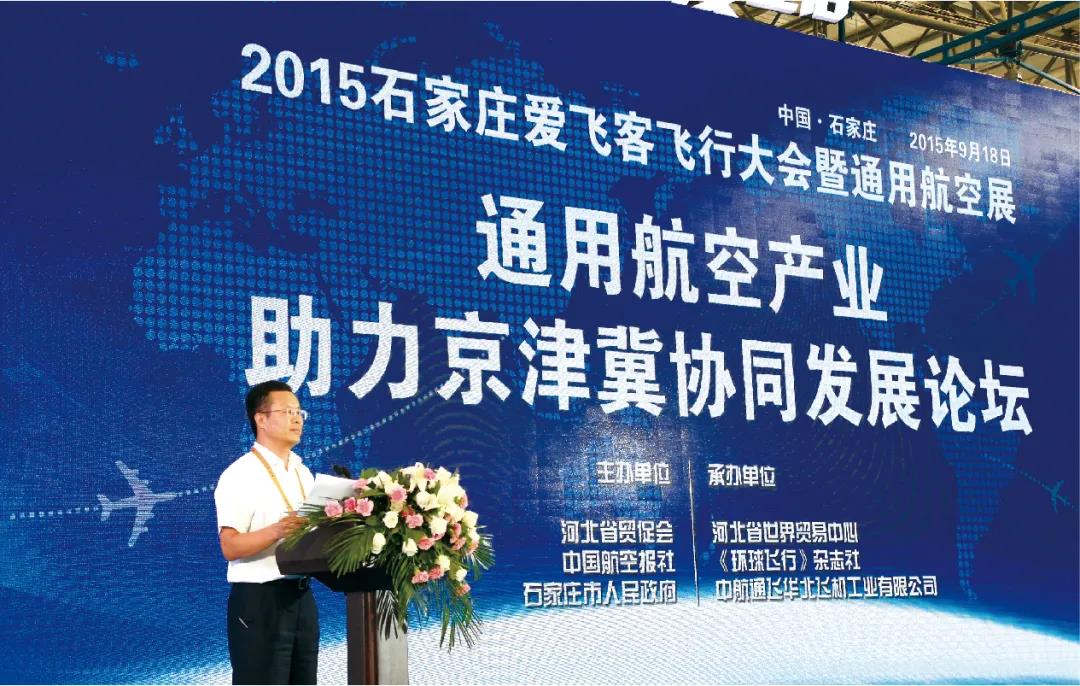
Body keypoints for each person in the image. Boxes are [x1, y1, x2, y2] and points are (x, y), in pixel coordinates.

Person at [214, 380, 319, 685]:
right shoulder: (240, 474)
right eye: (287, 412)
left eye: (299, 413)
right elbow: (230, 546)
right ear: (260, 419)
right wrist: (277, 530)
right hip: (259, 601)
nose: (297, 419)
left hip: (301, 597)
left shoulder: (302, 472)